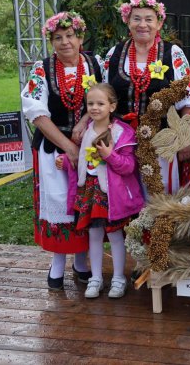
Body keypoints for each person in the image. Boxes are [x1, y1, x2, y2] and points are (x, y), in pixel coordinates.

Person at [21, 11, 102, 289]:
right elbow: (36, 112)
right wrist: (67, 146)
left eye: (70, 36)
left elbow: (104, 99)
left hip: (89, 146)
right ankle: (56, 266)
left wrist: (83, 121)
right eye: (58, 38)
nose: (65, 42)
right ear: (51, 41)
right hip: (52, 148)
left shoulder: (95, 64)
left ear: (81, 38)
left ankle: (81, 263)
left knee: (85, 203)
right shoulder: (42, 69)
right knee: (58, 203)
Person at [57, 83, 143, 298]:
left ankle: (118, 279)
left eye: (100, 103)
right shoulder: (85, 132)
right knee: (94, 235)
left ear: (112, 107)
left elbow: (129, 167)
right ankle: (95, 278)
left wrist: (109, 155)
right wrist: (66, 161)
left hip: (112, 195)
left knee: (115, 236)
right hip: (90, 192)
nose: (95, 108)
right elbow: (82, 163)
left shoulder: (123, 132)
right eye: (90, 104)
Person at [103, 0, 190, 192]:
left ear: (159, 23)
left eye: (149, 19)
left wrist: (185, 139)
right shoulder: (115, 53)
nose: (142, 24)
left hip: (163, 139)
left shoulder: (173, 53)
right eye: (136, 18)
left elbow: (189, 101)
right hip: (121, 141)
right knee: (124, 192)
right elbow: (102, 96)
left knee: (159, 192)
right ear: (127, 22)